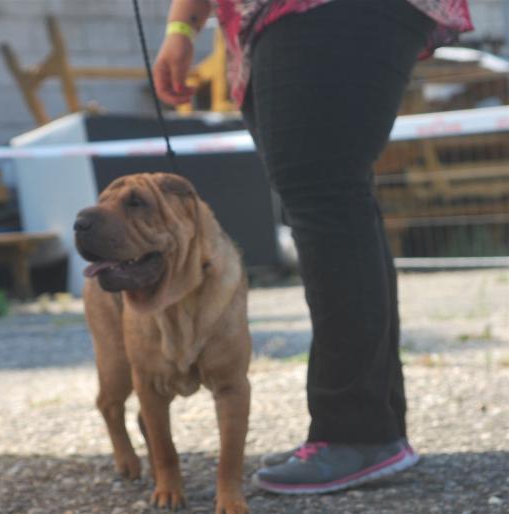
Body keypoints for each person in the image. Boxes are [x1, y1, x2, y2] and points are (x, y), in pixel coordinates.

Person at [153, 0, 473, 495]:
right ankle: (371, 427)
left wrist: (183, 28)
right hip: (267, 20)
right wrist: (182, 27)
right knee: (334, 198)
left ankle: (356, 431)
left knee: (324, 194)